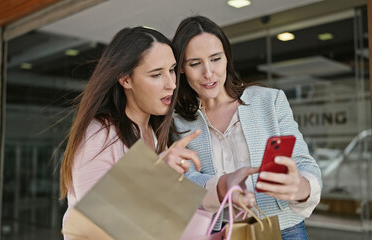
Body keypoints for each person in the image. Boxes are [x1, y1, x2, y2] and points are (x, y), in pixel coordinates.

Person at [59, 26, 256, 235]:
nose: (171, 84)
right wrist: (156, 176)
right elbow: (98, 223)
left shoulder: (155, 132)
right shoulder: (100, 134)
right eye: (156, 75)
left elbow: (162, 219)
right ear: (126, 79)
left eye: (172, 70)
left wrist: (223, 190)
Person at [172, 16, 322, 239]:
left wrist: (301, 187)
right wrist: (222, 186)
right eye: (195, 63)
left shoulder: (269, 101)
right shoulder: (178, 120)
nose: (208, 73)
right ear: (182, 68)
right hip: (218, 232)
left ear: (227, 58)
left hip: (284, 230)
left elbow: (303, 162)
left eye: (216, 59)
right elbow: (185, 182)